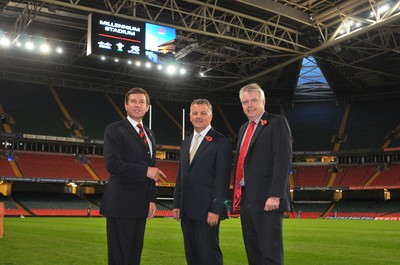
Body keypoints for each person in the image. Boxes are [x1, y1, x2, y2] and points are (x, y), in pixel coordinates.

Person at [100, 87, 166, 265]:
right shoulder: (114, 129)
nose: (138, 105)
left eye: (141, 102)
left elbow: (151, 169)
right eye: (134, 102)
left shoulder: (150, 133)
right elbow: (112, 164)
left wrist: (152, 199)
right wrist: (144, 171)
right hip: (121, 203)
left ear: (148, 107)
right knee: (120, 256)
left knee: (134, 255)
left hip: (141, 203)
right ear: (126, 106)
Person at [232, 83, 292, 265]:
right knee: (253, 253)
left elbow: (282, 160)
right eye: (245, 102)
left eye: (253, 100)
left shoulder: (276, 122)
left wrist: (275, 195)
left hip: (267, 200)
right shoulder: (243, 128)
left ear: (263, 101)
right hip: (247, 199)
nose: (249, 105)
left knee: (270, 255)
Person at [173, 99, 232, 265]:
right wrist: (177, 204)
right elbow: (180, 176)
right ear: (190, 117)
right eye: (195, 113)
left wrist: (216, 209)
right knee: (192, 257)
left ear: (211, 116)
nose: (198, 116)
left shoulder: (221, 142)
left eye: (203, 113)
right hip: (186, 210)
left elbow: (222, 179)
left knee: (209, 256)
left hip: (207, 212)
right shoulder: (185, 143)